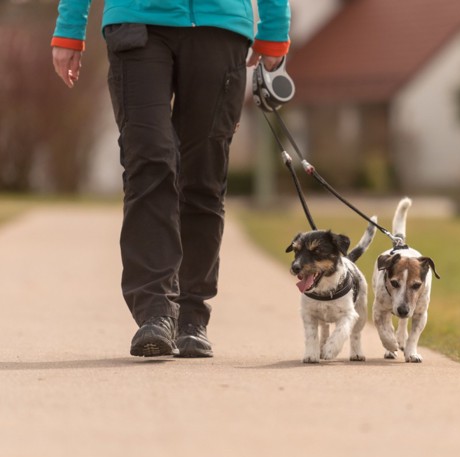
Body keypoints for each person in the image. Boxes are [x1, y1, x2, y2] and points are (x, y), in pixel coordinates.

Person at [51, 1, 291, 358]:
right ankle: (155, 311)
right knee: (150, 162)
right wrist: (69, 27)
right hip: (137, 21)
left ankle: (192, 315)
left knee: (204, 176)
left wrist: (274, 28)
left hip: (220, 25)